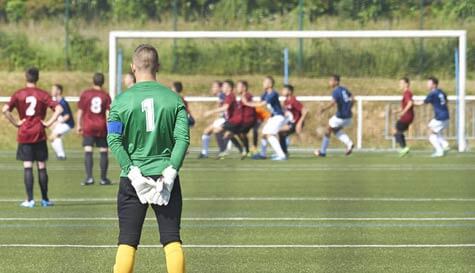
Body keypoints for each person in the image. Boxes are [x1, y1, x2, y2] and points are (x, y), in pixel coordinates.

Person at [108, 44, 188, 273]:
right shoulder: (174, 99)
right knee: (172, 239)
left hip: (132, 178)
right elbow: (182, 139)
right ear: (158, 66)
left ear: (133, 67)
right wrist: (171, 173)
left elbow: (114, 140)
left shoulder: (120, 101)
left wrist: (132, 171)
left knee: (127, 241)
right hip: (165, 176)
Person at [2, 67, 63, 208]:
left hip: (24, 133)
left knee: (27, 165)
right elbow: (59, 109)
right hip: (39, 133)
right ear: (38, 78)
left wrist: (16, 122)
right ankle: (45, 199)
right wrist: (48, 123)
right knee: (41, 165)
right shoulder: (43, 94)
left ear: (26, 77)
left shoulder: (19, 94)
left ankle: (29, 200)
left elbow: (5, 110)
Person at [77, 73, 112, 186]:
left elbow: (80, 111)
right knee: (103, 151)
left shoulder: (86, 94)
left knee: (88, 150)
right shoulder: (105, 95)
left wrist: (78, 125)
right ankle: (103, 178)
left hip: (88, 126)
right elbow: (108, 113)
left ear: (93, 81)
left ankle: (89, 178)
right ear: (103, 82)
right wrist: (110, 127)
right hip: (101, 126)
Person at [243, 76, 287, 161]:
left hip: (278, 117)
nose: (263, 83)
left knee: (269, 134)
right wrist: (248, 102)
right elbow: (259, 102)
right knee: (264, 134)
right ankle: (263, 154)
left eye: (265, 82)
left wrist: (247, 103)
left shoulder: (273, 93)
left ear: (270, 84)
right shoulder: (265, 93)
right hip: (273, 117)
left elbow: (262, 104)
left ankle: (281, 155)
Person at [315, 74, 354, 157]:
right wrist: (349, 108)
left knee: (328, 129)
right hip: (349, 117)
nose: (329, 82)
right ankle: (349, 144)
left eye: (331, 80)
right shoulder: (344, 89)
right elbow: (353, 99)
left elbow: (333, 103)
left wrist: (323, 109)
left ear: (336, 82)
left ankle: (322, 152)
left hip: (341, 117)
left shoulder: (336, 91)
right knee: (335, 130)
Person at [204, 80, 244, 159]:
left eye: (224, 86)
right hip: (233, 120)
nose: (222, 88)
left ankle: (223, 151)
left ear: (229, 88)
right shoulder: (228, 96)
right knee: (228, 134)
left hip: (235, 120)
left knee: (217, 130)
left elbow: (225, 107)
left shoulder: (230, 96)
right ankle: (242, 150)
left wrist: (211, 111)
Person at [415, 76, 450, 157]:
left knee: (430, 133)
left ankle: (440, 150)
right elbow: (446, 101)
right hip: (446, 115)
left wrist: (412, 103)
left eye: (429, 83)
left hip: (440, 117)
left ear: (434, 85)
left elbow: (422, 103)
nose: (427, 85)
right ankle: (445, 145)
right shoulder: (441, 92)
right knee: (436, 132)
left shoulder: (432, 93)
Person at [198, 81, 227, 158]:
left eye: (214, 87)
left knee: (210, 131)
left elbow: (225, 108)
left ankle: (207, 153)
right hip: (223, 118)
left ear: (220, 88)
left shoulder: (222, 95)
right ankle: (207, 153)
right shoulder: (221, 96)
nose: (212, 88)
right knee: (209, 131)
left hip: (226, 119)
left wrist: (210, 112)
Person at [279, 84, 308, 157]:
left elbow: (305, 111)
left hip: (295, 123)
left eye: (284, 90)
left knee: (279, 131)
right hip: (291, 123)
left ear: (289, 91)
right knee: (281, 133)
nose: (282, 91)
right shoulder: (285, 101)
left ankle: (283, 153)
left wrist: (300, 123)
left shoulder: (294, 101)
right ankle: (284, 153)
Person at [50, 84, 75, 160]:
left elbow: (67, 116)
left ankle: (61, 155)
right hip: (62, 123)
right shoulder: (57, 102)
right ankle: (60, 155)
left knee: (54, 135)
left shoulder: (63, 102)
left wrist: (57, 123)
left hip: (68, 124)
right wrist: (54, 123)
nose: (52, 91)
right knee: (53, 138)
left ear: (59, 91)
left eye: (54, 89)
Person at [393, 77, 414, 157]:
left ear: (406, 84)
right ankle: (404, 148)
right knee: (398, 131)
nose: (400, 85)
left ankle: (404, 148)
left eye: (401, 83)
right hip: (408, 116)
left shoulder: (407, 93)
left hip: (407, 116)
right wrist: (398, 110)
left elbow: (410, 103)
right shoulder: (407, 93)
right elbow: (408, 104)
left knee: (396, 131)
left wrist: (403, 112)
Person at [236, 80, 257, 156]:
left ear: (244, 88)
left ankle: (248, 149)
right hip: (244, 120)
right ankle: (247, 150)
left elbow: (248, 102)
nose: (237, 88)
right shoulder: (242, 97)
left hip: (249, 120)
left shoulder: (247, 95)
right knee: (240, 132)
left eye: (239, 86)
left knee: (239, 131)